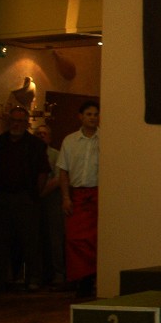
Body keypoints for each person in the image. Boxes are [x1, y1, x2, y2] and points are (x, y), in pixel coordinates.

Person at [0, 106, 51, 292]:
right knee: (0, 240)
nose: (16, 124)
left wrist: (34, 195)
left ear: (26, 123)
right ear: (8, 122)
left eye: (20, 121)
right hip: (1, 197)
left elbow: (43, 172)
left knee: (30, 241)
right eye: (13, 120)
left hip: (26, 197)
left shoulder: (36, 145)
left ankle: (34, 278)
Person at [57, 100, 100, 297]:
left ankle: (91, 279)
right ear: (80, 117)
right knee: (74, 239)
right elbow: (63, 171)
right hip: (77, 195)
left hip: (97, 195)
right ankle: (79, 278)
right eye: (89, 114)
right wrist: (66, 197)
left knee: (94, 240)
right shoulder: (70, 141)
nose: (92, 118)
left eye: (95, 114)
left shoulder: (104, 139)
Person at [35, 124, 65, 289]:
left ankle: (58, 273)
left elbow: (59, 178)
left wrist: (41, 192)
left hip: (52, 199)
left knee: (54, 237)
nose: (41, 136)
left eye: (44, 134)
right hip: (33, 202)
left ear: (50, 137)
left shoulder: (56, 155)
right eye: (38, 133)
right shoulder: (30, 153)